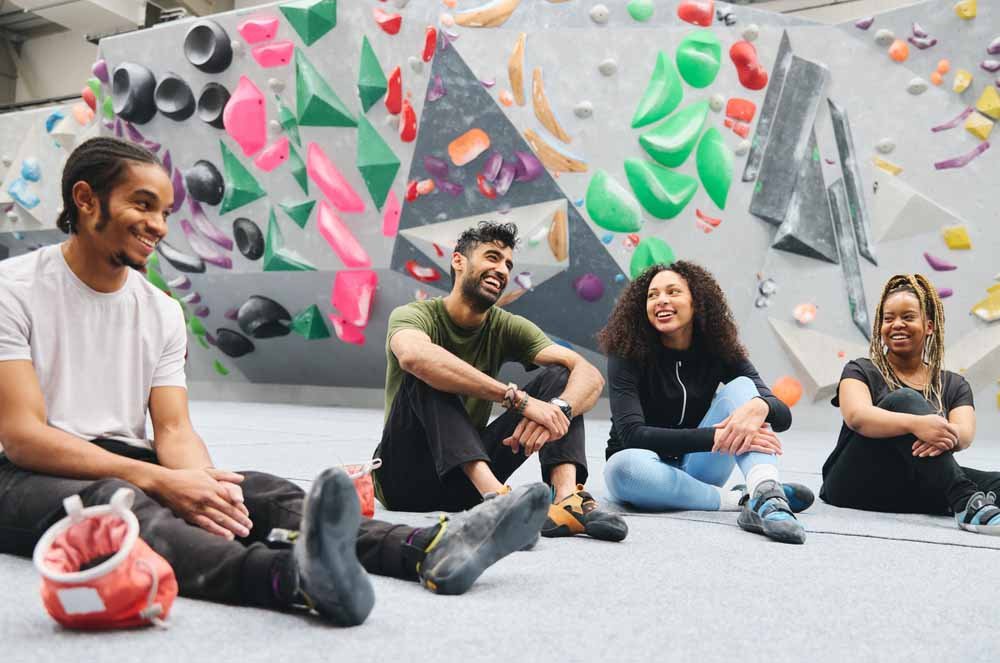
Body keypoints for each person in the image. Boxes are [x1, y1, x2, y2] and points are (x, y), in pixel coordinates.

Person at [0, 137, 551, 628]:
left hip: (122, 453)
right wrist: (160, 482)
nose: (159, 226)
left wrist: (202, 487)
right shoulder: (14, 289)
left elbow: (172, 427)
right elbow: (24, 435)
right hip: (23, 474)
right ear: (85, 199)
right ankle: (291, 580)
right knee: (120, 502)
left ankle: (428, 548)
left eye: (165, 211)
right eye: (142, 205)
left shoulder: (161, 312)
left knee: (256, 489)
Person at [374, 221, 628, 542]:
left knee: (562, 377)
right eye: (492, 257)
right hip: (404, 480)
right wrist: (518, 400)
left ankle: (566, 501)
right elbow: (414, 357)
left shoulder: (506, 326)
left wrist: (557, 412)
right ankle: (499, 500)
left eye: (508, 264)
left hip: (464, 485)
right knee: (426, 369)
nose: (502, 269)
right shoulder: (414, 315)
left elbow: (588, 374)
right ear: (458, 261)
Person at [599, 262, 813, 544]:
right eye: (652, 295)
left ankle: (767, 492)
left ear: (696, 301)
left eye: (673, 291)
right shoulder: (626, 352)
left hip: (701, 468)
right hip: (646, 471)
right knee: (621, 468)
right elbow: (633, 434)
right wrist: (719, 436)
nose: (661, 300)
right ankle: (743, 499)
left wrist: (762, 406)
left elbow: (782, 416)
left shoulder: (717, 348)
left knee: (745, 389)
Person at [822, 273, 1000, 534]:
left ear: (929, 326)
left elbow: (964, 436)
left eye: (907, 317)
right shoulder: (861, 370)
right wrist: (917, 424)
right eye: (888, 318)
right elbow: (857, 417)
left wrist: (938, 433)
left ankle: (966, 499)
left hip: (909, 483)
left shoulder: (953, 384)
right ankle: (965, 502)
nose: (896, 325)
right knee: (904, 399)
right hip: (852, 483)